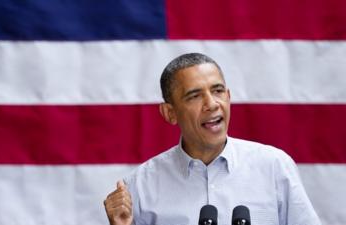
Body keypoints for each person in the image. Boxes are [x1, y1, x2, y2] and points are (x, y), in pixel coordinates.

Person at [104, 53, 321, 225]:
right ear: (170, 113)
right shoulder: (140, 185)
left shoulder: (274, 166)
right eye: (195, 96)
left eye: (217, 91)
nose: (211, 104)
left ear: (228, 97)